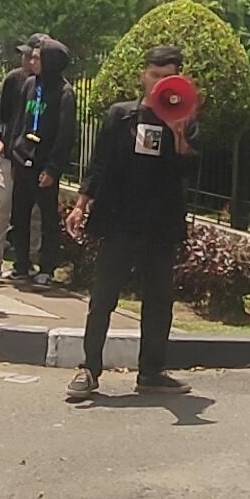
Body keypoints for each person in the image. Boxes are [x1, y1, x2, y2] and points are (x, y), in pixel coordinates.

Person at [65, 45, 198, 399]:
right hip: (119, 222)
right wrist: (81, 204)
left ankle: (151, 372)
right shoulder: (120, 116)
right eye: (153, 75)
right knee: (103, 298)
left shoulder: (186, 120)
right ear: (143, 76)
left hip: (160, 226)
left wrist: (178, 133)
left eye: (166, 76)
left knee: (158, 300)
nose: (158, 83)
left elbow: (189, 171)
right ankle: (89, 369)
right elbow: (100, 165)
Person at [0, 38, 77, 290]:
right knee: (19, 215)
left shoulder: (65, 93)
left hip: (44, 165)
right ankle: (21, 265)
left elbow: (65, 134)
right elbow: (20, 120)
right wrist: (16, 149)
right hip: (22, 160)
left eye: (37, 58)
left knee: (48, 218)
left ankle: (47, 267)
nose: (31, 62)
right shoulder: (29, 84)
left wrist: (53, 167)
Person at [0, 35, 45, 285]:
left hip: (35, 159)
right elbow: (3, 116)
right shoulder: (15, 79)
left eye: (34, 56)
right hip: (11, 154)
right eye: (26, 55)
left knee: (33, 213)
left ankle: (29, 260)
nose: (28, 60)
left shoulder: (51, 87)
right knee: (1, 204)